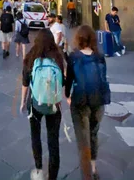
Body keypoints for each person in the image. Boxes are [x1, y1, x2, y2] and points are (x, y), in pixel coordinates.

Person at [65, 25, 110, 180]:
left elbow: (69, 80)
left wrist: (67, 96)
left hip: (80, 101)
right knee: (93, 134)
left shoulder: (74, 57)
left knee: (82, 139)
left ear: (78, 39)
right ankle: (93, 167)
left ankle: (87, 175)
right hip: (98, 100)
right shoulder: (99, 56)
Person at [20, 29, 65, 180]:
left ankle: (39, 170)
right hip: (54, 105)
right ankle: (53, 177)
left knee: (35, 137)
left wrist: (22, 102)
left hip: (34, 104)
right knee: (53, 142)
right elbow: (63, 82)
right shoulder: (58, 57)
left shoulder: (31, 57)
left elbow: (25, 83)